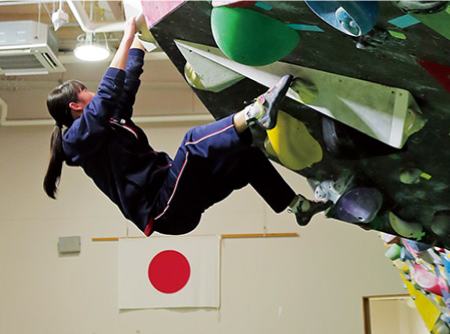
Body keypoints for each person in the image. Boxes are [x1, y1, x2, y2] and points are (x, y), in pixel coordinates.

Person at [44, 16, 330, 236]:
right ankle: (258, 110)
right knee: (193, 142)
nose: (90, 91)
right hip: (163, 209)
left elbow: (126, 85)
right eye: (83, 90)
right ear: (75, 106)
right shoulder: (77, 141)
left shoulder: (106, 125)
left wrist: (139, 45)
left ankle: (298, 207)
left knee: (246, 157)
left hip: (179, 193)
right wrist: (127, 36)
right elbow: (107, 94)